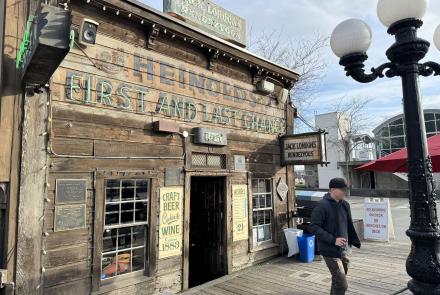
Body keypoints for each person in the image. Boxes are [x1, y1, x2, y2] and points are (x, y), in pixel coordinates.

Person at [310, 178, 361, 295]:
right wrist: (333, 240)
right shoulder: (322, 206)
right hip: (329, 251)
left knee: (337, 282)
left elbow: (348, 224)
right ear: (332, 189)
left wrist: (352, 243)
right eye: (342, 189)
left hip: (345, 250)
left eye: (346, 189)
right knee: (342, 285)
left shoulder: (345, 205)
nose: (345, 192)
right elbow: (314, 227)